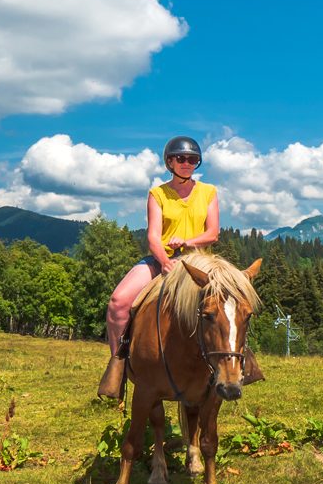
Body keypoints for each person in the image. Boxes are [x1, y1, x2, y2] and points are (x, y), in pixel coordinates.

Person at [97, 135, 250, 399]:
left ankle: (242, 363)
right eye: (181, 159)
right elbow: (153, 236)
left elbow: (213, 233)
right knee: (118, 302)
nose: (187, 163)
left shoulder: (208, 192)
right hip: (163, 260)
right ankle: (119, 363)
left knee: (232, 304)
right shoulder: (158, 194)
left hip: (200, 262)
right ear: (169, 162)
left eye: (192, 159)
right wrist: (165, 262)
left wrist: (188, 242)